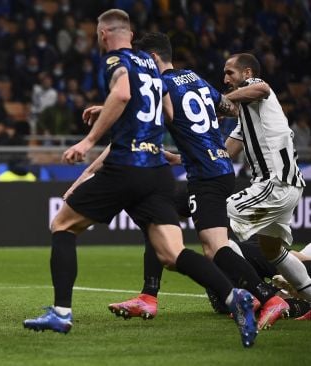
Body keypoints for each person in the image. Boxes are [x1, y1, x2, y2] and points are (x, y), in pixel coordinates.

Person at [22, 9, 257, 348]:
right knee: (172, 253)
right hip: (157, 171)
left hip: (126, 165)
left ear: (104, 35)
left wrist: (88, 141)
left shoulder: (116, 60)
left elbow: (121, 94)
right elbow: (169, 113)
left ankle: (60, 312)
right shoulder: (151, 65)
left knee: (62, 226)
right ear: (130, 34)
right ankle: (235, 297)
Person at [107, 32, 290, 330]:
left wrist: (105, 111)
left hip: (206, 177)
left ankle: (267, 297)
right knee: (158, 217)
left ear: (152, 59)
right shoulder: (192, 76)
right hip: (217, 167)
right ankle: (148, 295)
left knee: (216, 248)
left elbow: (139, 114)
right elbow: (227, 109)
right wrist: (186, 152)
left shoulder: (161, 85)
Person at [222, 53, 311, 302]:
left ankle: (263, 297)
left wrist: (218, 100)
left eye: (230, 72)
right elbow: (225, 153)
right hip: (286, 186)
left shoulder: (256, 87)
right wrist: (180, 159)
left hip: (275, 182)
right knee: (273, 251)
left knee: (214, 217)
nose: (225, 78)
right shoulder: (248, 116)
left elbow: (262, 88)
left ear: (247, 73)